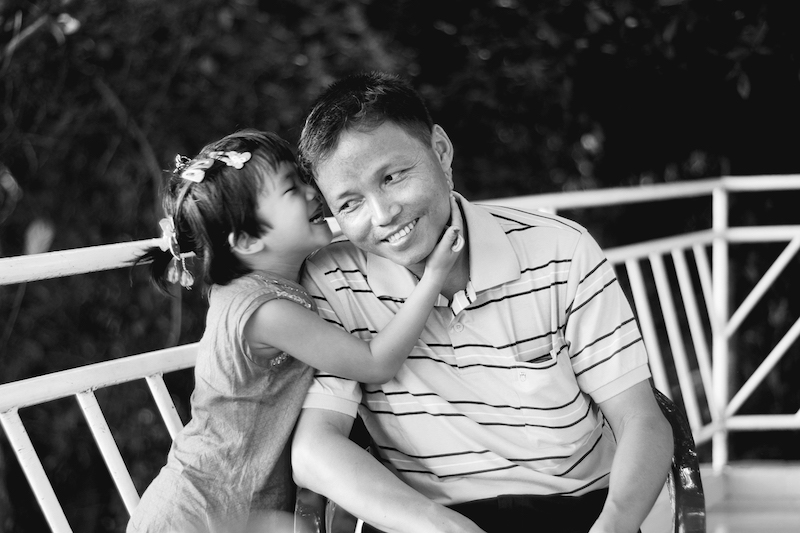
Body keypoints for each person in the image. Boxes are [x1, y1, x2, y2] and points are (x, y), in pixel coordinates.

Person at [290, 72, 674, 533]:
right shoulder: (332, 280)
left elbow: (640, 419)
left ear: (441, 150)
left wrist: (614, 525)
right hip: (424, 521)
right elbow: (314, 450)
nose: (382, 214)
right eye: (349, 204)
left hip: (575, 512)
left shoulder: (560, 251)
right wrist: (445, 526)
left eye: (392, 177)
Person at [126, 129, 466, 533]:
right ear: (249, 241)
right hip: (205, 511)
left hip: (225, 500)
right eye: (292, 190)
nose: (312, 193)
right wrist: (433, 277)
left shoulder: (247, 287)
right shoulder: (267, 311)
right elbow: (374, 363)